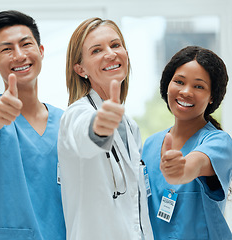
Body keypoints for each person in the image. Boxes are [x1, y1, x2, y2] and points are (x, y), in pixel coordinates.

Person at [0, 10, 66, 240]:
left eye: (26, 44)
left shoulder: (65, 121)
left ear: (41, 51)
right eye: (7, 49)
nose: (19, 55)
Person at [58, 17, 153, 240]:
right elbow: (85, 136)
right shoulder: (76, 114)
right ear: (80, 69)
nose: (110, 53)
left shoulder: (130, 127)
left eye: (116, 45)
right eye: (97, 50)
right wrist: (99, 127)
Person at [142, 46, 232, 239]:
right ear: (167, 84)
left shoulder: (219, 142)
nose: (185, 91)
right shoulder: (150, 145)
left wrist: (182, 171)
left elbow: (197, 163)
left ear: (212, 97)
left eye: (198, 86)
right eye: (179, 82)